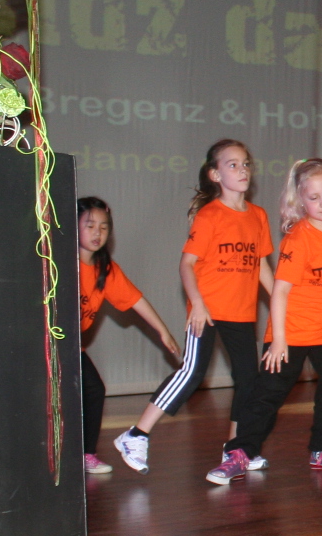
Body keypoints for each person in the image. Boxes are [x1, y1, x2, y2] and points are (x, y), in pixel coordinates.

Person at [114, 139, 273, 475]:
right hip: (208, 309)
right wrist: (197, 304)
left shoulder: (258, 216)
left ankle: (235, 448)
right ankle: (136, 434)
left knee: (249, 380)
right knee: (192, 372)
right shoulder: (210, 214)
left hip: (241, 313)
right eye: (232, 164)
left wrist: (282, 302)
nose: (242, 170)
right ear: (215, 174)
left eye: (246, 163)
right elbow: (186, 264)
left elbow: (261, 266)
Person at [206, 159, 322, 484]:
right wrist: (279, 340)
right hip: (291, 326)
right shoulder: (299, 238)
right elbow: (280, 292)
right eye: (314, 197)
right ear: (300, 200)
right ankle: (239, 453)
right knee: (268, 393)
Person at [77, 197, 179, 474]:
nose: (97, 233)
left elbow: (136, 300)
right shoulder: (58, 265)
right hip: (49, 346)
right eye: (90, 226)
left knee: (93, 390)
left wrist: (163, 330)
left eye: (104, 227)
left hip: (73, 348)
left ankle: (86, 454)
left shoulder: (105, 270)